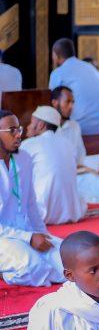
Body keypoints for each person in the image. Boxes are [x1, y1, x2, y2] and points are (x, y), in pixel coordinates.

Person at [0, 110, 64, 287]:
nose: (18, 135)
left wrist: (42, 234)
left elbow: (31, 204)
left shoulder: (24, 158)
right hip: (2, 237)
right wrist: (29, 238)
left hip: (25, 231)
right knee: (34, 267)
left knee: (68, 260)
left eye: (19, 129)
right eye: (11, 130)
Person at [20, 106, 86, 225]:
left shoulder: (29, 144)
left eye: (31, 123)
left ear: (40, 125)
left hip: (42, 213)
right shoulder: (67, 143)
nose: (27, 127)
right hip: (72, 211)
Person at [48, 38, 99, 134]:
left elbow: (53, 101)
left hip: (81, 128)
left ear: (55, 55)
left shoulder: (58, 73)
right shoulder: (90, 67)